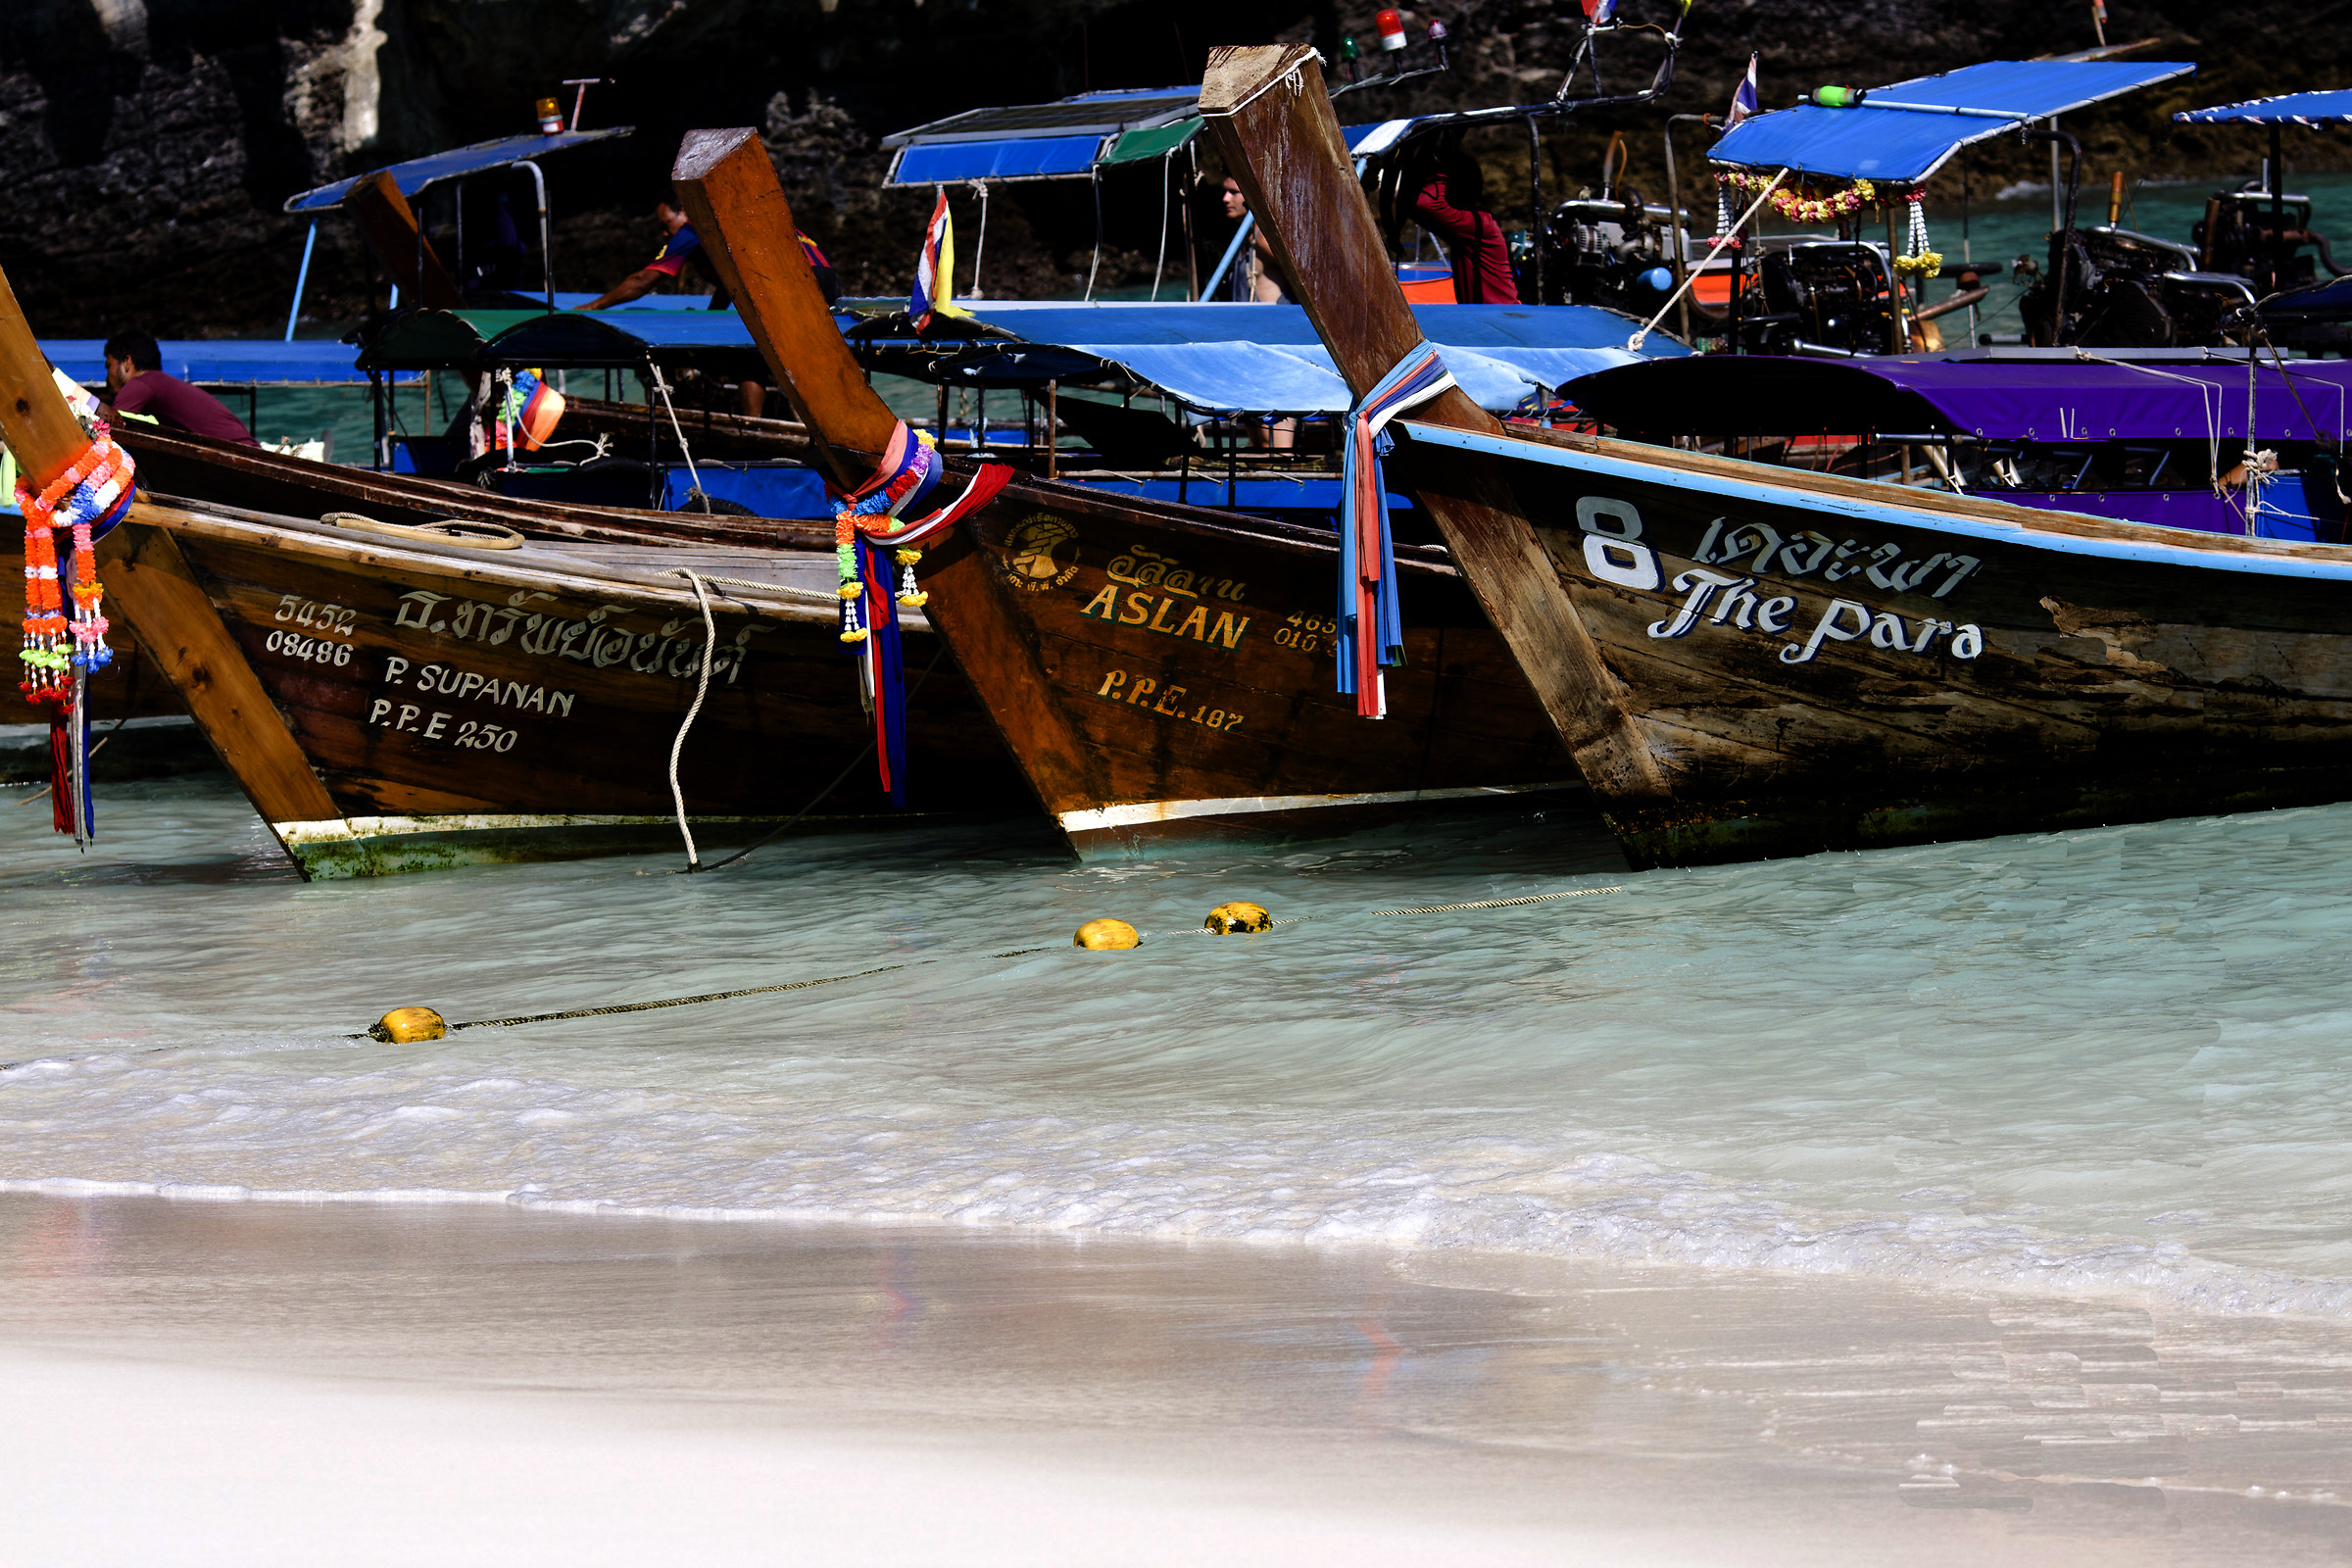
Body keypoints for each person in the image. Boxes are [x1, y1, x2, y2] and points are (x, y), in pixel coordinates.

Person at [103, 334, 259, 446]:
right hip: (244, 448)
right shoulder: (157, 382)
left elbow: (108, 426)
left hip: (237, 452)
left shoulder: (140, 384)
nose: (107, 377)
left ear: (127, 362)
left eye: (109, 366)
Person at [1410, 150, 1519, 305]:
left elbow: (1427, 204)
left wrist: (1440, 171)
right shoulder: (1463, 230)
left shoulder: (1479, 223)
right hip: (1488, 316)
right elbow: (1414, 209)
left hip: (1501, 316)